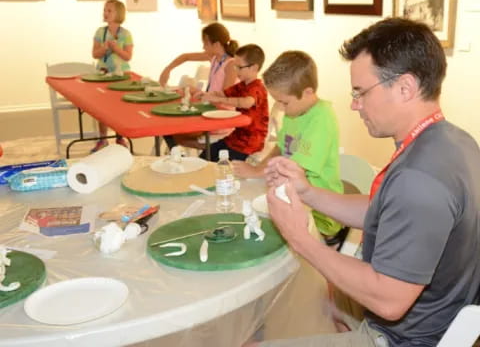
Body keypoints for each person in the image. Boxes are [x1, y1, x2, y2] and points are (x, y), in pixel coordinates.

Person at [255, 18, 480, 347]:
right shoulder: (453, 141)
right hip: (429, 313)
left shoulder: (419, 179)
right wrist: (308, 192)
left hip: (399, 336)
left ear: (405, 88)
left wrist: (299, 238)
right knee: (299, 300)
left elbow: (389, 302)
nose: (353, 104)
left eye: (361, 92)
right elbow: (386, 210)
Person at [234, 50, 344, 240]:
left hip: (321, 214)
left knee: (265, 234)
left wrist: (254, 172)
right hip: (294, 198)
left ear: (308, 92)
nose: (281, 108)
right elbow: (280, 148)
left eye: (284, 103)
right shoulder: (296, 111)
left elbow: (294, 168)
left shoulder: (322, 118)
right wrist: (259, 167)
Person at [159, 22, 239, 149]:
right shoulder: (213, 57)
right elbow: (185, 57)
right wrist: (167, 69)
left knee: (173, 132)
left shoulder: (231, 64)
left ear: (217, 44)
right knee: (168, 129)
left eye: (206, 43)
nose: (203, 46)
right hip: (210, 109)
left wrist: (201, 93)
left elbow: (224, 95)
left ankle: (201, 153)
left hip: (222, 116)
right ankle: (184, 155)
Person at [191, 44, 269, 161]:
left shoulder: (257, 87)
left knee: (215, 160)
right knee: (206, 155)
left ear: (254, 68)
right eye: (235, 67)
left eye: (239, 67)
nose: (236, 70)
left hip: (249, 143)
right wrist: (206, 95)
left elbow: (246, 102)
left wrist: (219, 100)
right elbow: (222, 93)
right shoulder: (241, 85)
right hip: (236, 137)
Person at [91, 0, 133, 153]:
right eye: (105, 10)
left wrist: (116, 48)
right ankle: (102, 138)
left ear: (119, 14)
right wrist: (103, 48)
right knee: (101, 108)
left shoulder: (126, 34)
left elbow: (128, 56)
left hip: (121, 76)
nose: (105, 13)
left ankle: (120, 137)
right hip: (102, 74)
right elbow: (94, 54)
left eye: (109, 11)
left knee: (119, 108)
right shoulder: (99, 32)